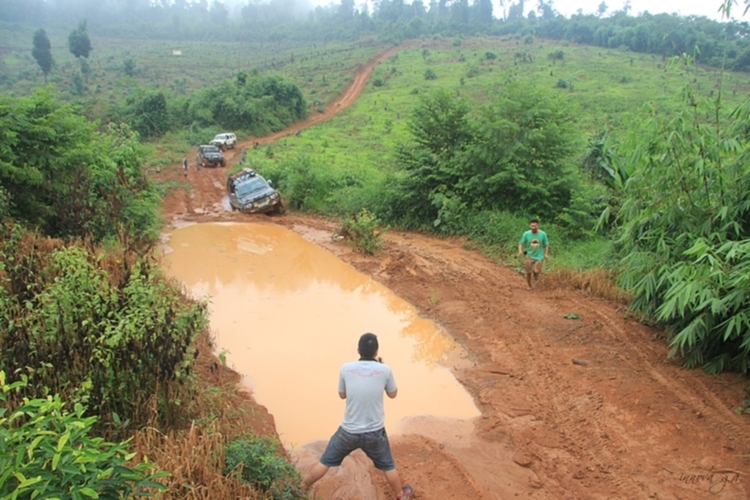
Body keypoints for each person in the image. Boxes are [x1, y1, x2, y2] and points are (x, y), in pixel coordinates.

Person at [302, 333, 414, 500]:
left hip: (348, 431)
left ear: (358, 350)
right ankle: (400, 494)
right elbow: (393, 394)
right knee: (388, 466)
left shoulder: (346, 368)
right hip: (374, 432)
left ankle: (302, 487)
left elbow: (342, 395)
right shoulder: (385, 370)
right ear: (376, 351)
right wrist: (381, 374)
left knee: (325, 461)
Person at [517, 218, 550, 290]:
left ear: (538, 226)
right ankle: (529, 285)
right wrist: (520, 251)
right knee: (528, 272)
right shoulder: (526, 234)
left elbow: (547, 244)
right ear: (530, 226)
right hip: (529, 255)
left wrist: (546, 254)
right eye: (532, 226)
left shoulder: (543, 234)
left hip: (539, 256)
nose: (533, 228)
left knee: (536, 270)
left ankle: (536, 274)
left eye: (535, 226)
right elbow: (521, 243)